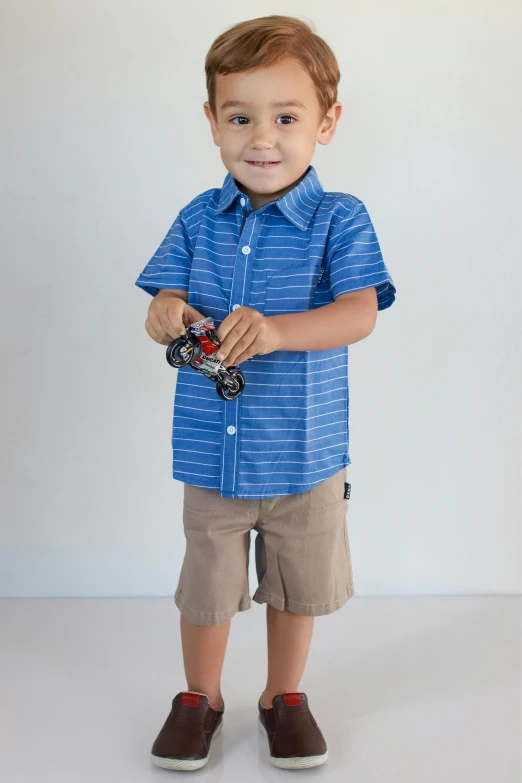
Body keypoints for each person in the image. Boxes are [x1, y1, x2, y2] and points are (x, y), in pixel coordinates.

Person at [135, 14, 396, 772]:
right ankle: (200, 697)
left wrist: (279, 331)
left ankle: (284, 696)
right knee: (206, 588)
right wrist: (165, 309)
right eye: (241, 116)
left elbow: (360, 312)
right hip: (212, 456)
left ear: (327, 123)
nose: (262, 137)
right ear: (212, 121)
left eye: (286, 117)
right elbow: (164, 297)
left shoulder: (340, 218)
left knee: (295, 587)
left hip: (306, 454)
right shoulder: (195, 216)